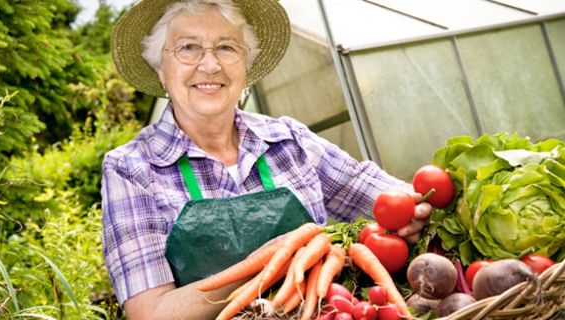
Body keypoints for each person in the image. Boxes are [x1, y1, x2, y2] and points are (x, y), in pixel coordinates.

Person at [101, 0, 432, 319]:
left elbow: (375, 192)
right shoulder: (132, 168)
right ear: (161, 69)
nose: (210, 65)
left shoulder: (289, 140)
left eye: (227, 47)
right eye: (188, 48)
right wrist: (271, 259)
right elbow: (151, 312)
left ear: (245, 66)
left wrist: (414, 209)